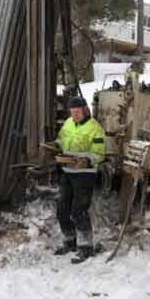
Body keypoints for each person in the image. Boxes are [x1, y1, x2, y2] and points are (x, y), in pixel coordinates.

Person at [54, 96, 105, 264]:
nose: (74, 115)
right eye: (72, 112)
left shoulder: (95, 129)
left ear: (85, 110)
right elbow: (61, 140)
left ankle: (86, 247)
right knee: (62, 209)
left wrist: (88, 160)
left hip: (84, 174)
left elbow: (99, 154)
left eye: (77, 112)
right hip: (67, 172)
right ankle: (70, 241)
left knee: (78, 211)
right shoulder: (67, 123)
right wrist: (55, 147)